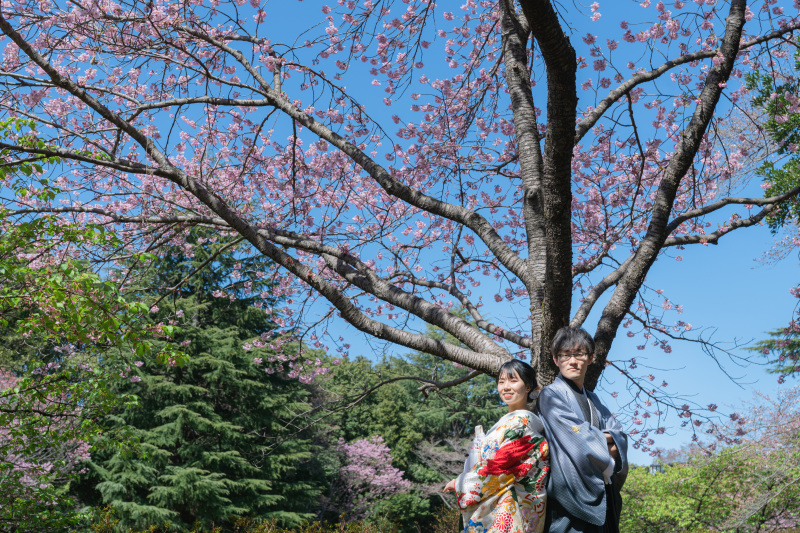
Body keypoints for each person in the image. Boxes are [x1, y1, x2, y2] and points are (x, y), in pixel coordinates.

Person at [538, 326, 628, 533]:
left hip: (603, 491)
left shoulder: (593, 400)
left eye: (579, 354)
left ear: (590, 358)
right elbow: (577, 440)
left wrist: (606, 440)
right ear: (555, 360)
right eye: (565, 355)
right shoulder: (551, 395)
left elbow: (619, 435)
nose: (572, 361)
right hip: (569, 493)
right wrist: (608, 443)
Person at [444, 359, 550, 533]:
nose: (506, 387)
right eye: (501, 382)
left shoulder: (523, 423)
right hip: (502, 503)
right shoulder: (507, 422)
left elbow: (501, 465)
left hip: (511, 506)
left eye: (513, 380)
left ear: (528, 386)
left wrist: (461, 483)